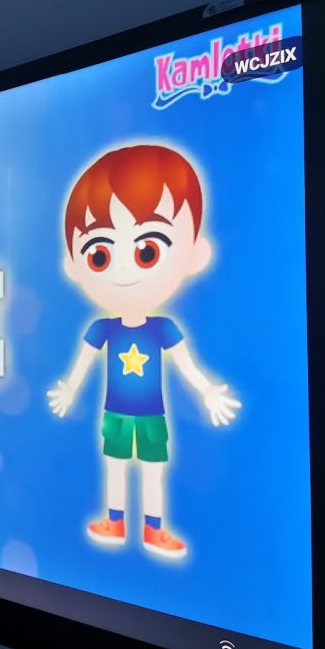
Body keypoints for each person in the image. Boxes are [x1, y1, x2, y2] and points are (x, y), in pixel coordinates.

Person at [47, 144, 241, 559]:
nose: (122, 271)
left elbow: (187, 366)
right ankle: (114, 520)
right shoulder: (101, 329)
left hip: (151, 414)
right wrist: (69, 390)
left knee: (152, 473)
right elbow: (82, 364)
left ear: (194, 254)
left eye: (146, 251)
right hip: (115, 413)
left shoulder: (163, 329)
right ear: (74, 266)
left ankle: (154, 529)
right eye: (100, 255)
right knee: (116, 469)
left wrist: (207, 390)